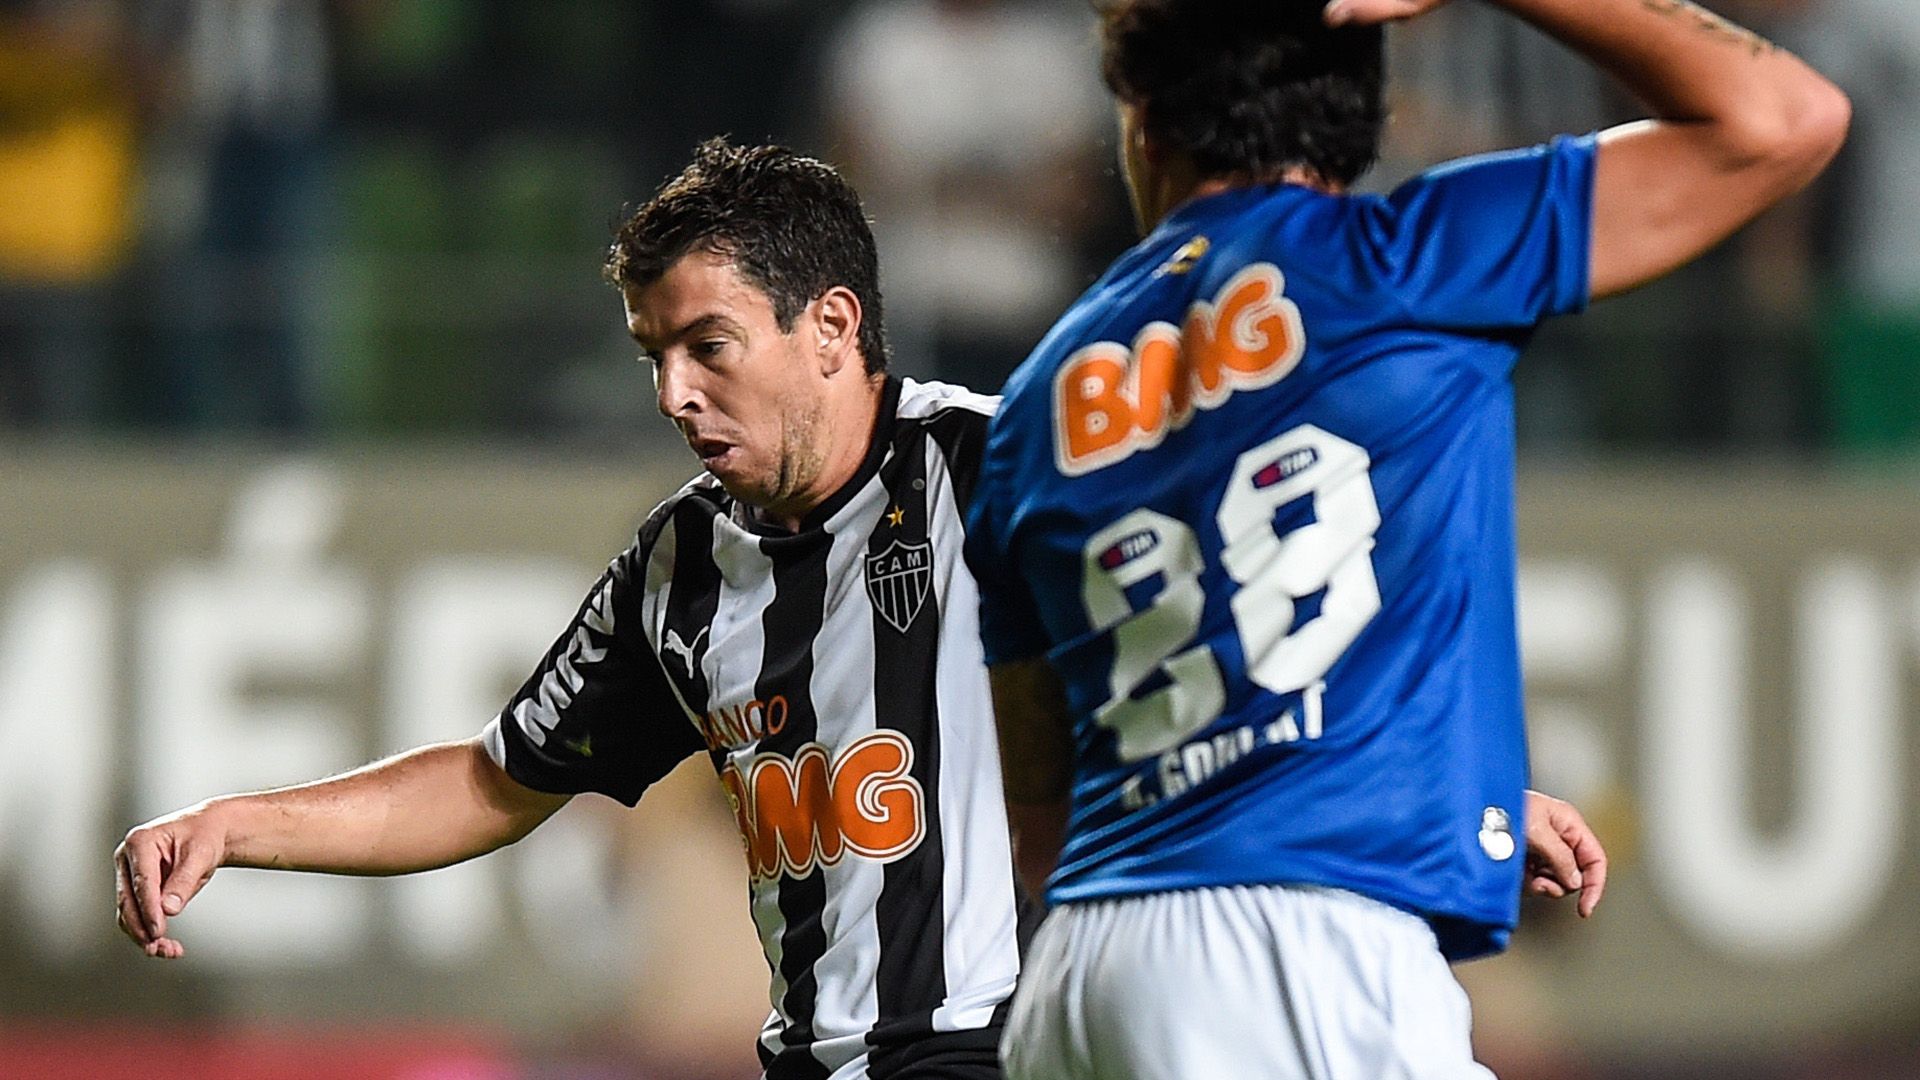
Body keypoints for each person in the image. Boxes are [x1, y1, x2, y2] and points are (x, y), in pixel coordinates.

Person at [115, 139, 1608, 1080]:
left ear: (830, 328)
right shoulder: (680, 570)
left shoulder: (1002, 463)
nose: (674, 394)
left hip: (1014, 1046)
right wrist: (241, 823)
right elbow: (501, 779)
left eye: (706, 345)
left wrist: (1462, 785)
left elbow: (1214, 646)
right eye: (653, 356)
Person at [961, 1, 1847, 1078]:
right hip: (1306, 956)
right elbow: (1783, 119)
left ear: (1145, 123)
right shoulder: (1406, 263)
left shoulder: (1036, 397)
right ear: (1362, 117)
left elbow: (1043, 805)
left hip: (1082, 977)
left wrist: (1406, 783)